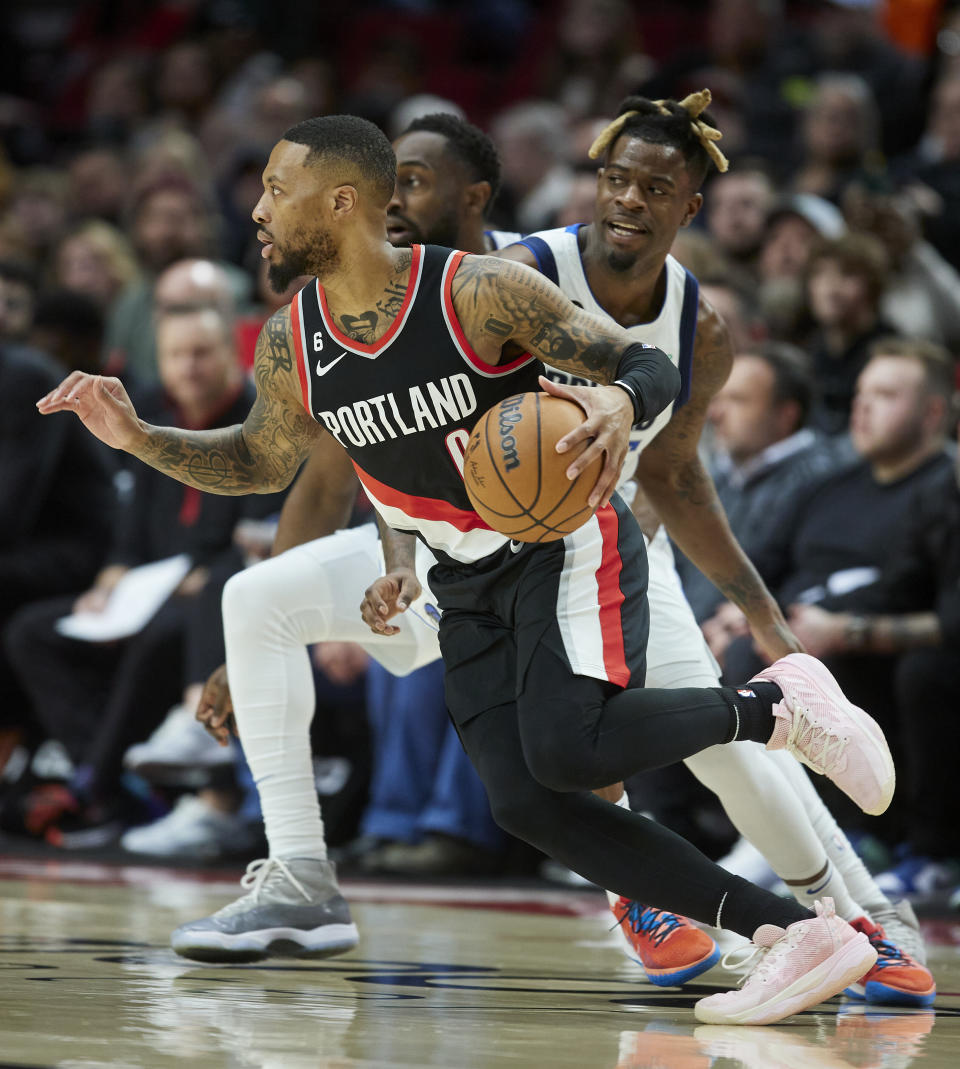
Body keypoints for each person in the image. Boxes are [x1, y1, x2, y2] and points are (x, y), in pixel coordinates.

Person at [38, 111, 896, 1027]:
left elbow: (643, 359)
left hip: (564, 546)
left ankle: (778, 707)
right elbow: (259, 460)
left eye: (276, 190)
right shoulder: (296, 337)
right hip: (460, 576)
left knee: (569, 749)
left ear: (339, 201)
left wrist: (614, 395)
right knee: (527, 803)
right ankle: (790, 934)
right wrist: (136, 435)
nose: (257, 208)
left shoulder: (478, 292)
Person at [498, 96, 931, 1006]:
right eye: (617, 179)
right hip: (488, 549)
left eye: (656, 187)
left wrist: (772, 623)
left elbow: (677, 478)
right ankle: (644, 899)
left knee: (727, 750)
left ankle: (849, 926)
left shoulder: (700, 328)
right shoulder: (522, 273)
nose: (628, 200)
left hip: (612, 546)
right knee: (545, 763)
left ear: (690, 206)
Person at [9, 303, 286, 845]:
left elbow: (259, 531)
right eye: (176, 355)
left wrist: (191, 575)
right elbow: (129, 531)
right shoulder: (151, 411)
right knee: (32, 633)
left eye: (202, 353)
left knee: (159, 635)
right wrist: (110, 579)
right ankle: (119, 783)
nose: (189, 367)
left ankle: (98, 784)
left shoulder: (264, 416)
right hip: (147, 587)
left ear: (233, 355)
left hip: (212, 589)